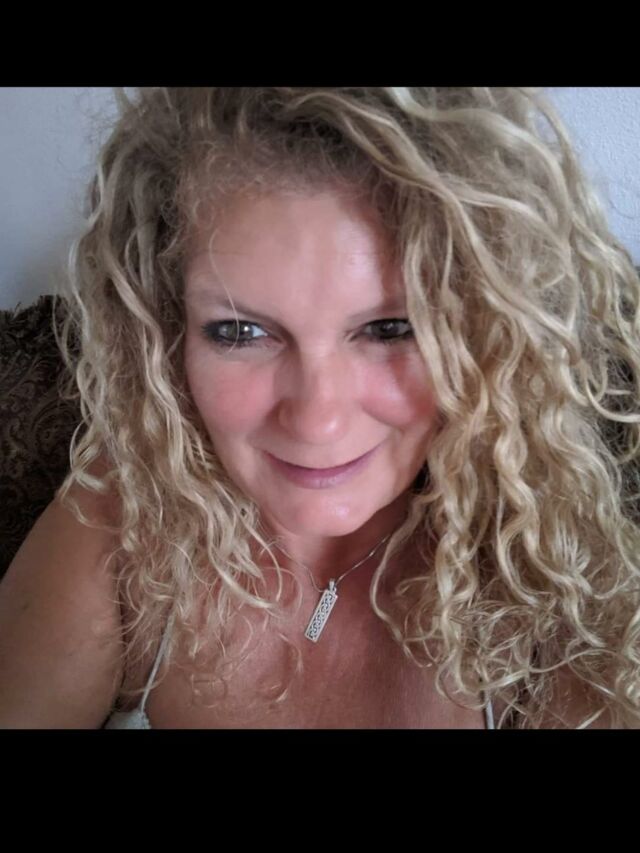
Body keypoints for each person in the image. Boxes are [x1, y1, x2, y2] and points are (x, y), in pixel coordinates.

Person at [1, 87, 640, 729]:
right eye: (241, 332)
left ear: (484, 334)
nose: (317, 422)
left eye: (391, 328)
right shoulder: (125, 515)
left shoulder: (552, 581)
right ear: (170, 334)